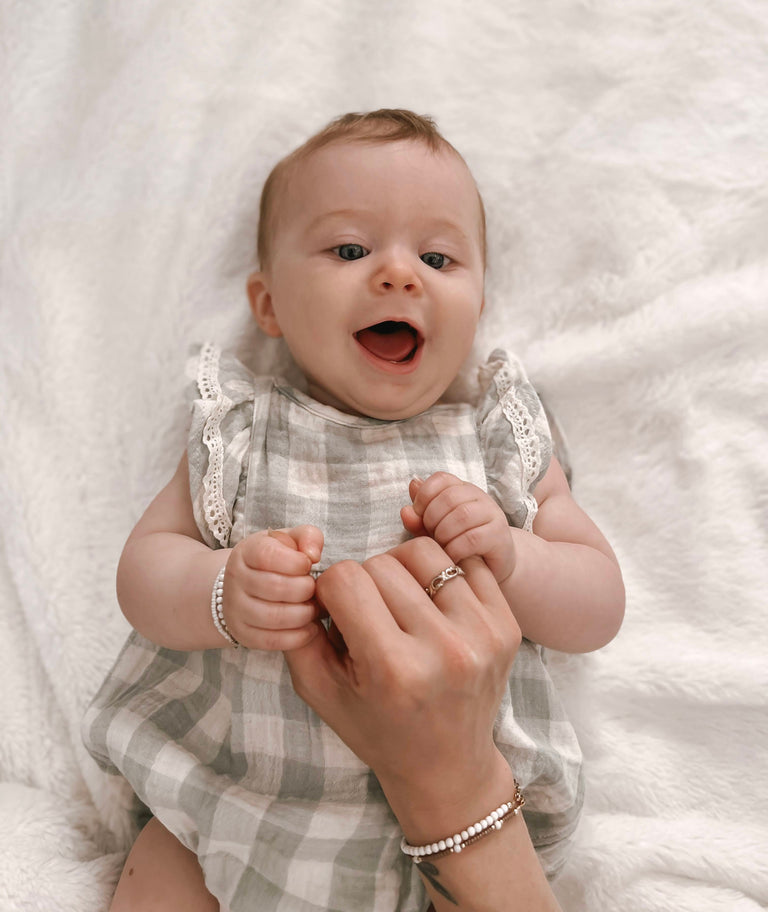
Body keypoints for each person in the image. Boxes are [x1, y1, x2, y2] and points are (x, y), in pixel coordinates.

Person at [82, 109, 625, 912]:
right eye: (349, 249)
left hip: (455, 820)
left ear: (478, 304)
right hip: (234, 793)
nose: (399, 275)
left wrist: (516, 556)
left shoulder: (497, 438)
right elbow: (144, 570)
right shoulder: (243, 430)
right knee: (158, 874)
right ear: (267, 305)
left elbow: (599, 604)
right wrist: (221, 590)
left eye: (437, 257)